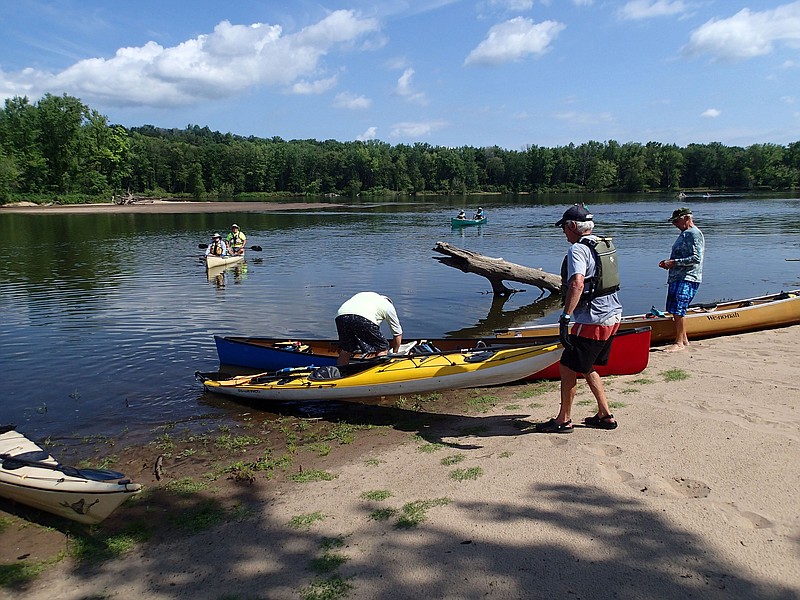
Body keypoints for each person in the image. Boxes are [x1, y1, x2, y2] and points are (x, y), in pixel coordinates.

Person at [535, 204, 623, 433]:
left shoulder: (578, 250)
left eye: (564, 227)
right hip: (614, 316)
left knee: (567, 366)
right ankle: (605, 415)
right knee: (584, 365)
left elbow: (577, 283)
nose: (563, 231)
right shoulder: (601, 244)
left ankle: (563, 420)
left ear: (573, 226)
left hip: (594, 320)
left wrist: (565, 317)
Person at [658, 207, 704, 352]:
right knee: (674, 309)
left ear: (686, 218)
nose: (675, 224)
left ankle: (679, 343)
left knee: (679, 310)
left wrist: (674, 262)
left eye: (676, 221)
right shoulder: (686, 233)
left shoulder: (693, 234)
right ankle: (684, 339)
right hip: (678, 277)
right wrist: (670, 263)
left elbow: (696, 258)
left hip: (688, 277)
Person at [335, 292, 403, 365]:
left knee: (346, 349)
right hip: (363, 318)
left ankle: (341, 371)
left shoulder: (367, 295)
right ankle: (378, 372)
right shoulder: (389, 306)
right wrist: (395, 352)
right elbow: (397, 333)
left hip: (341, 316)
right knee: (382, 347)